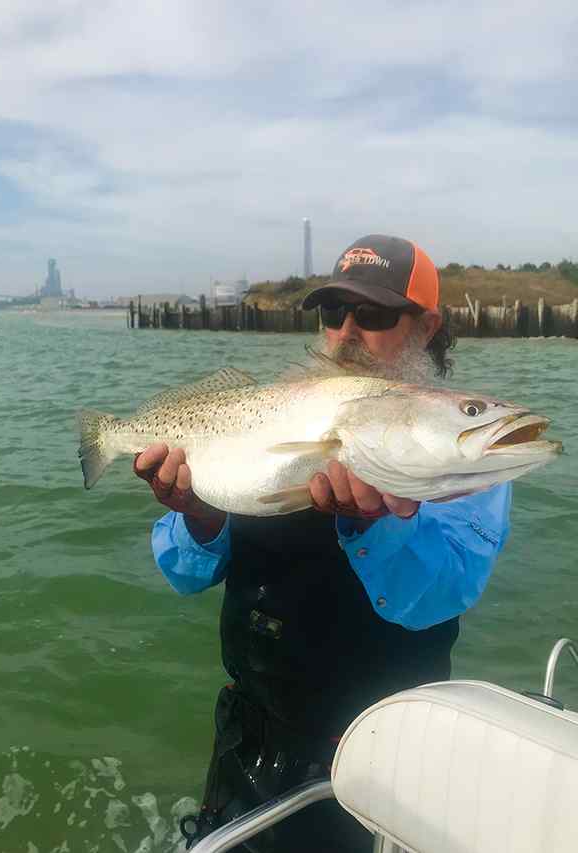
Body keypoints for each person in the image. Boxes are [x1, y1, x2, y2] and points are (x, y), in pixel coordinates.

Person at [134, 235, 512, 853]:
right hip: (249, 741)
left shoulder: (452, 453)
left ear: (428, 326)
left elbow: (436, 596)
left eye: (375, 315)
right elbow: (181, 571)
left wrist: (371, 524)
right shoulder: (266, 415)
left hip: (384, 757)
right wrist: (199, 514)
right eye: (333, 314)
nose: (346, 332)